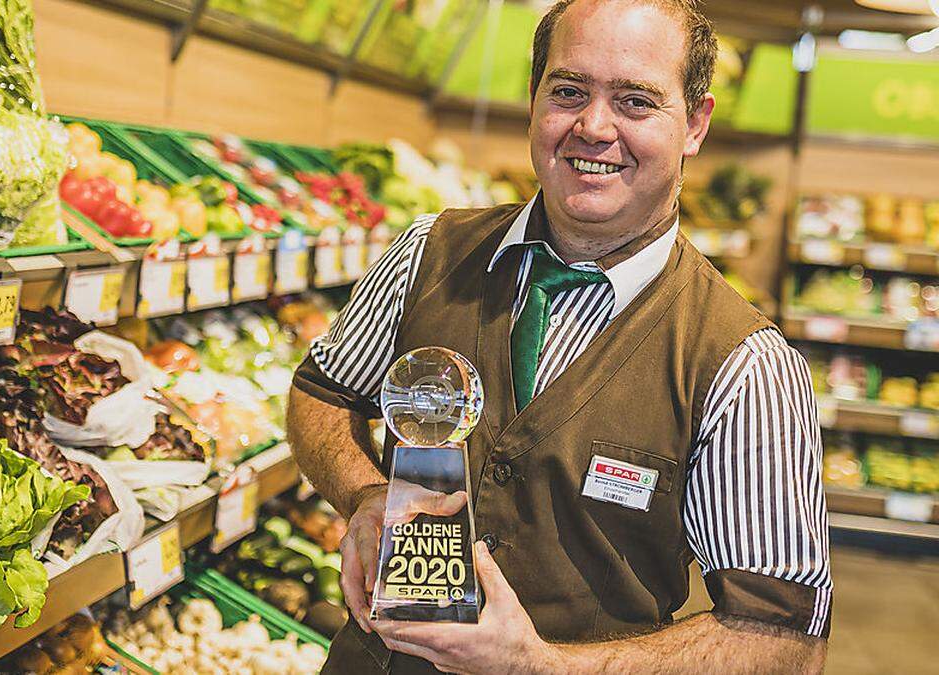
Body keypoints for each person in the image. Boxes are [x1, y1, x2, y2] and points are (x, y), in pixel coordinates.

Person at [287, 0, 832, 672]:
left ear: (695, 124)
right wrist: (363, 494)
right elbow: (322, 392)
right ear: (534, 98)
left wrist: (538, 664)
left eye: (635, 101)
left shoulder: (743, 366)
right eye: (569, 91)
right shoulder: (427, 254)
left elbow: (782, 638)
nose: (593, 127)